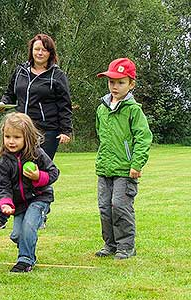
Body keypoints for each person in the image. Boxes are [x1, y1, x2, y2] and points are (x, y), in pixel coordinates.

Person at [0, 33, 72, 230]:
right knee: (13, 171)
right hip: (21, 129)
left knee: (35, 171)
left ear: (50, 53)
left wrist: (66, 130)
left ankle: (39, 212)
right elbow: (10, 92)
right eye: (36, 48)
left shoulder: (57, 76)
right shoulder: (20, 71)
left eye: (44, 49)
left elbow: (65, 104)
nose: (40, 52)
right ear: (31, 51)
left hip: (47, 131)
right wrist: (4, 103)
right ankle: (2, 215)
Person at [94, 58, 153, 260]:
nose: (115, 86)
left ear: (131, 84)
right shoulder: (102, 108)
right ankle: (109, 244)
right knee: (104, 208)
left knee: (119, 206)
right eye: (112, 82)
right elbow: (100, 135)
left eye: (120, 82)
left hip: (126, 169)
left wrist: (136, 163)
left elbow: (143, 138)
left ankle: (126, 246)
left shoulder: (133, 110)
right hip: (105, 168)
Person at [0, 112, 59, 272]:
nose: (11, 141)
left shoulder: (36, 154)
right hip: (20, 203)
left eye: (16, 137)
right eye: (7, 136)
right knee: (17, 235)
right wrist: (6, 203)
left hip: (40, 198)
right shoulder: (4, 161)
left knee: (28, 227)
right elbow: (2, 186)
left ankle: (25, 261)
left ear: (27, 137)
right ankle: (29, 252)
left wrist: (38, 176)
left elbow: (53, 172)